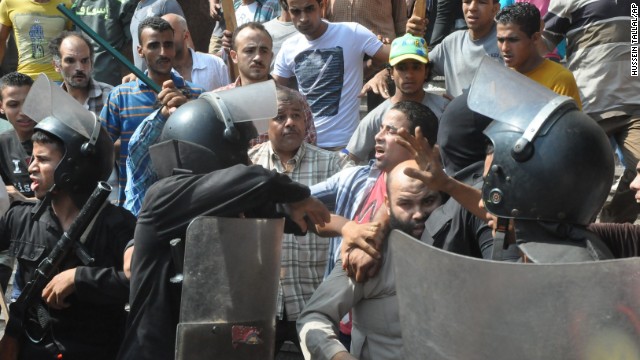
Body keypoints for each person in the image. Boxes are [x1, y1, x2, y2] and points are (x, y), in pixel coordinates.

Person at [118, 83, 330, 360]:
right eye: (238, 152)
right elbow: (257, 179)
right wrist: (300, 195)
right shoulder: (165, 194)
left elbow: (282, 215)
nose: (242, 159)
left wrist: (310, 217)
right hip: (155, 351)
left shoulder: (221, 202)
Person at [0, 75, 136, 360]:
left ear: (72, 166)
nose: (31, 168)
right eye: (31, 159)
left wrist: (79, 277)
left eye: (43, 160)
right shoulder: (21, 219)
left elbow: (138, 276)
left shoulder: (117, 223)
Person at [298, 159, 442, 360]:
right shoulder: (367, 255)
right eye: (405, 204)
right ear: (388, 205)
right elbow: (314, 318)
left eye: (428, 201)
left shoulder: (459, 243)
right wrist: (338, 356)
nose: (418, 214)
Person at [248, 85, 352, 353]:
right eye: (280, 116)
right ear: (265, 124)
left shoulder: (334, 166)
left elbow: (354, 209)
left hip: (314, 300)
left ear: (306, 122)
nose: (290, 122)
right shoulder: (248, 168)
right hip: (261, 303)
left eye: (297, 115)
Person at [541, 0, 640, 224]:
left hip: (635, 106)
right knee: (580, 182)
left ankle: (611, 228)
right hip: (588, 107)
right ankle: (576, 235)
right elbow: (541, 41)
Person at [101, 16, 203, 207]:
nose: (163, 52)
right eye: (154, 45)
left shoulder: (197, 94)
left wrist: (189, 110)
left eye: (168, 45)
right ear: (140, 50)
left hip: (185, 202)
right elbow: (101, 148)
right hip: (136, 207)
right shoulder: (120, 96)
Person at [272, 0, 389, 150]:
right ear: (287, 11)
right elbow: (274, 92)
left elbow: (395, 57)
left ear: (322, 6)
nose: (303, 18)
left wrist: (383, 72)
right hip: (305, 148)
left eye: (309, 9)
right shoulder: (289, 47)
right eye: (296, 11)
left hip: (347, 147)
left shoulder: (352, 33)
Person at [364, 0, 502, 99]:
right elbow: (417, 66)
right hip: (458, 127)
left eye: (482, 2)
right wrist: (384, 74)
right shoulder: (451, 43)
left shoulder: (505, 42)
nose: (472, 8)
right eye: (467, 1)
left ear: (496, 8)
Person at [346, 33, 450, 164]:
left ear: (426, 72)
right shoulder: (377, 117)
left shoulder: (445, 109)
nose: (409, 75)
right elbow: (350, 158)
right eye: (402, 68)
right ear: (391, 73)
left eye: (416, 67)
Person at [214, 21, 316, 146]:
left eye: (264, 51)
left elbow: (309, 151)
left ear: (271, 56)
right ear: (234, 56)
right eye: (249, 50)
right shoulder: (218, 102)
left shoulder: (296, 101)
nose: (258, 57)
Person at [495, 2, 581, 106]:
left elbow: (568, 122)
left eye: (513, 40)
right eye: (500, 40)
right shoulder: (499, 77)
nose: (504, 48)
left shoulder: (560, 79)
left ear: (535, 38)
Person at [0, 72, 35, 299]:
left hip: (50, 236)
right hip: (14, 236)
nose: (23, 112)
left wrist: (24, 199)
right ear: (1, 107)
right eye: (13, 104)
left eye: (29, 103)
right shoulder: (3, 143)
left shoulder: (58, 138)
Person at [0, 0, 72, 81]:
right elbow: (1, 40)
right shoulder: (9, 3)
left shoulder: (67, 5)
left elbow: (74, 42)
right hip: (24, 78)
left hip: (57, 78)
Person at [72, 0, 136, 86]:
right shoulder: (77, 3)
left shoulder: (77, 3)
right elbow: (134, 42)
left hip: (85, 74)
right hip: (108, 77)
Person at [49, 31, 114, 115]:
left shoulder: (111, 97)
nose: (79, 68)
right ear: (57, 65)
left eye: (84, 61)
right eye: (70, 61)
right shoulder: (51, 103)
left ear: (91, 63)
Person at [161, 13, 230, 91]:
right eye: (161, 35)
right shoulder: (159, 73)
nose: (165, 39)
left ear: (186, 35)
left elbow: (230, 95)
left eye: (170, 33)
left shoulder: (214, 63)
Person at [130, 0, 184, 71]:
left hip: (168, 78)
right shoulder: (137, 9)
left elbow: (185, 40)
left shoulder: (166, 3)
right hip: (144, 79)